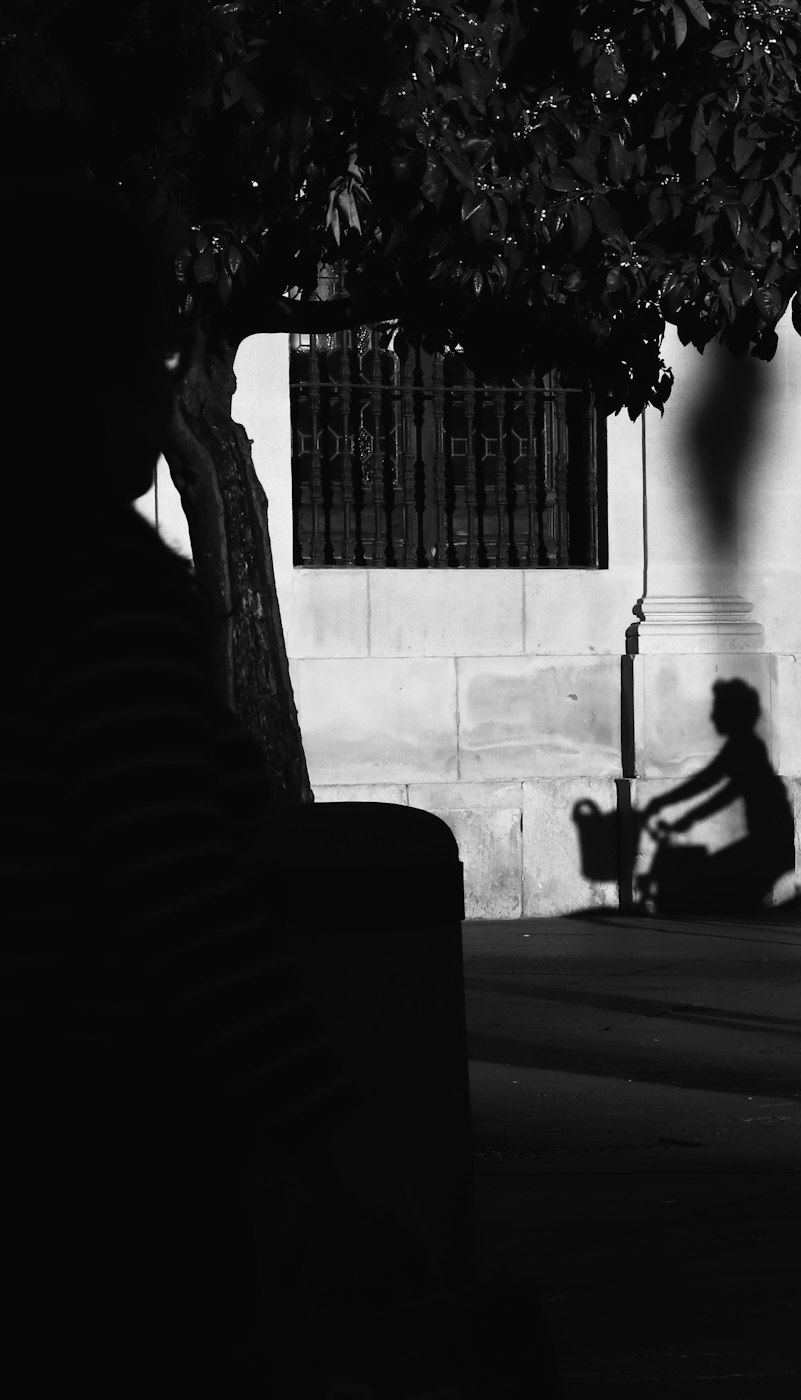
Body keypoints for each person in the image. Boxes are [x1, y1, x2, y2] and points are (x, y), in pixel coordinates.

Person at [0, 176, 349, 1399]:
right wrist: (328, 1136)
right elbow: (181, 898)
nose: (168, 390)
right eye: (153, 353)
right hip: (103, 1140)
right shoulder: (101, 595)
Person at [641, 679, 794, 912]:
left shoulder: (745, 746)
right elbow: (719, 785)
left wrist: (673, 807)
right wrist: (677, 809)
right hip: (769, 841)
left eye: (718, 709)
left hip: (769, 844)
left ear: (733, 714)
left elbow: (715, 784)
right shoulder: (744, 744)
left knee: (710, 877)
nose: (713, 716)